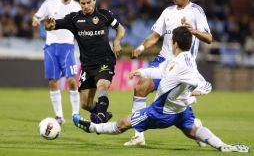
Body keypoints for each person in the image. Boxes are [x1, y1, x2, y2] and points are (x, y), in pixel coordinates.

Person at [72, 26, 249, 153]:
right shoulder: (182, 58)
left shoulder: (184, 66)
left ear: (175, 42)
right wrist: (140, 71)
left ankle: (91, 127)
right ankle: (222, 146)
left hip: (161, 112)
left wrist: (193, 92)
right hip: (181, 111)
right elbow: (159, 70)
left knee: (123, 124)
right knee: (192, 131)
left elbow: (204, 84)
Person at [125, 0, 213, 146]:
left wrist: (193, 31)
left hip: (181, 66)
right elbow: (155, 36)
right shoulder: (167, 12)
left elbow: (209, 38)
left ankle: (195, 126)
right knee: (140, 86)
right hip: (163, 60)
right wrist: (141, 48)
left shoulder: (196, 11)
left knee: (176, 106)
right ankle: (138, 135)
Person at [44, 0, 125, 124]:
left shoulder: (104, 15)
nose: (86, 6)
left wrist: (117, 41)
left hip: (105, 61)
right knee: (85, 104)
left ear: (94, 1)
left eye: (88, 2)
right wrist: (49, 26)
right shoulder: (74, 18)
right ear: (79, 3)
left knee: (102, 86)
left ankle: (100, 118)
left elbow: (120, 28)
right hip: (87, 66)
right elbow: (53, 25)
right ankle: (103, 113)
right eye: (83, 3)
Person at [32, 0, 81, 124]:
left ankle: (75, 114)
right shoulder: (49, 3)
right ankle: (59, 116)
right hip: (51, 47)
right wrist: (36, 21)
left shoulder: (77, 7)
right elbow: (37, 17)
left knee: (72, 80)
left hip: (68, 47)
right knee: (53, 82)